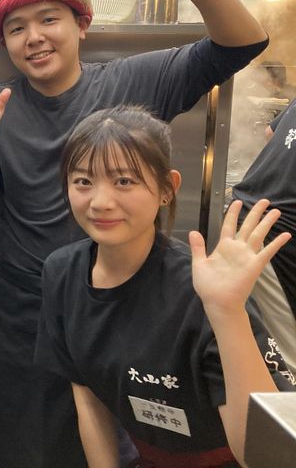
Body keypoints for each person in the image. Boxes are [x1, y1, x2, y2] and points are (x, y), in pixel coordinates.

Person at [0, 0, 270, 467]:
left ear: (81, 25)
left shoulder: (132, 80)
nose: (34, 37)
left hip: (120, 303)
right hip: (20, 302)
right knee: (6, 438)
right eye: (16, 29)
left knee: (98, 435)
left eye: (48, 20)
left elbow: (243, 43)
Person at [35, 105, 295, 466]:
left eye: (124, 181)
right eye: (83, 181)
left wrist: (228, 313)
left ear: (167, 189)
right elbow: (88, 397)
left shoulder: (204, 289)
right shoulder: (61, 272)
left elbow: (264, 453)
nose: (100, 202)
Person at [232, 96, 296, 369]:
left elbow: (270, 133)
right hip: (277, 234)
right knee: (287, 359)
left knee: (257, 343)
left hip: (248, 214)